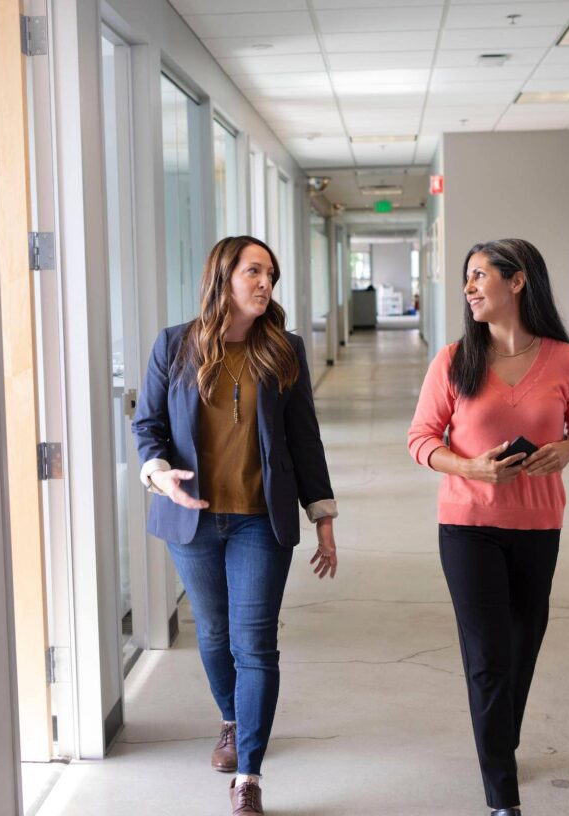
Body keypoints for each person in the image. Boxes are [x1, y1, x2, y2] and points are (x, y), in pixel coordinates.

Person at [132, 235, 339, 816]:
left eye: (269, 273)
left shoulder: (284, 350)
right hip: (192, 519)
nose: (263, 282)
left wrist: (321, 516)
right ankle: (230, 717)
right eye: (252, 270)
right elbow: (148, 424)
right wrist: (158, 474)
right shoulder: (174, 346)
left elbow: (304, 442)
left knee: (256, 645)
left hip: (257, 522)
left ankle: (248, 774)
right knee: (214, 635)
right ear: (222, 275)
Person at [407, 239, 569, 816]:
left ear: (517, 283)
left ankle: (499, 742)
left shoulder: (566, 359)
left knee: (523, 646)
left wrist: (567, 449)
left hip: (539, 525)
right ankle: (502, 796)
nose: (468, 288)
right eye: (467, 278)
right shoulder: (451, 360)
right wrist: (468, 466)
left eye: (478, 276)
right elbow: (420, 439)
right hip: (467, 525)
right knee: (488, 656)